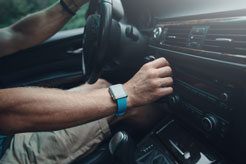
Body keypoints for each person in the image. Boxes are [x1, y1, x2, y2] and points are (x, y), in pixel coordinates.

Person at [0, 0, 173, 163]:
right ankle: (178, 132)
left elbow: (16, 34)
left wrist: (71, 3)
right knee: (131, 106)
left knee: (101, 86)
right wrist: (127, 94)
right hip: (8, 153)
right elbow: (7, 111)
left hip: (9, 135)